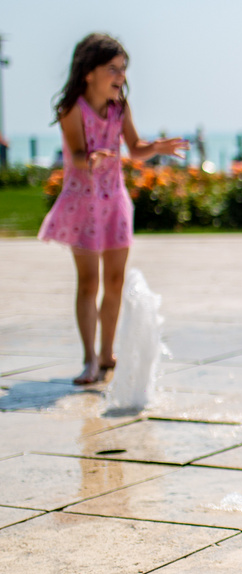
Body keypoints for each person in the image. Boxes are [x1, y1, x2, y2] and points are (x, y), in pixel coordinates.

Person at [38, 33, 187, 385]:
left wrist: (156, 147)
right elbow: (74, 154)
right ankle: (89, 358)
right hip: (82, 204)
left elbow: (134, 149)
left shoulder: (120, 107)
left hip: (114, 201)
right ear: (89, 72)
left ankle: (107, 353)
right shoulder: (72, 108)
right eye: (113, 69)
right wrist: (90, 157)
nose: (120, 76)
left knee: (116, 281)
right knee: (89, 283)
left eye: (123, 69)